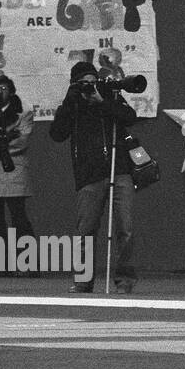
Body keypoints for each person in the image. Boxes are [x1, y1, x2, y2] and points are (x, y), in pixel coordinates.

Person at [48, 61, 138, 294]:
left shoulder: (108, 96)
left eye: (92, 81)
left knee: (125, 227)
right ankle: (84, 280)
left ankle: (124, 280)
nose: (89, 86)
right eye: (83, 83)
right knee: (86, 229)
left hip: (119, 170)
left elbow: (130, 117)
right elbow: (57, 134)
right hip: (89, 174)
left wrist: (103, 102)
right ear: (74, 84)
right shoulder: (73, 104)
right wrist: (70, 101)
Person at [0, 72, 34, 290]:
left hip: (14, 168)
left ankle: (28, 262)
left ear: (11, 89)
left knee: (19, 218)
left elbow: (22, 140)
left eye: (4, 87)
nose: (0, 91)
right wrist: (6, 138)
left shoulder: (23, 111)